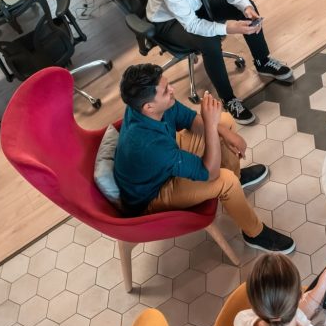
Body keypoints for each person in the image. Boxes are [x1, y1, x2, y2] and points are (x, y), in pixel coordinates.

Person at [114, 63, 295, 253]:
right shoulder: (148, 145)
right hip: (153, 193)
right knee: (226, 180)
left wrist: (224, 131)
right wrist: (210, 123)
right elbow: (210, 173)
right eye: (166, 90)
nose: (172, 90)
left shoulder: (149, 106)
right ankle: (254, 234)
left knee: (224, 121)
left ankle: (238, 181)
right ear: (149, 107)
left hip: (164, 159)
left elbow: (191, 120)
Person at [146, 0, 293, 125]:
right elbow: (192, 24)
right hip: (168, 21)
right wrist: (229, 28)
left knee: (246, 7)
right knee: (209, 41)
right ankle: (228, 99)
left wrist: (245, 6)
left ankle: (263, 62)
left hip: (199, 1)